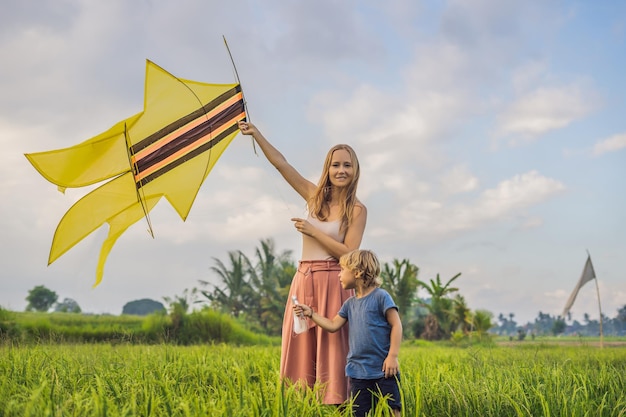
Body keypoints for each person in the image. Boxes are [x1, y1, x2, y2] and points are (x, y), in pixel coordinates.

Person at [238, 121, 367, 405]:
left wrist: (313, 232)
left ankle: (335, 403)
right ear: (328, 168)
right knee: (299, 339)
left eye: (347, 165)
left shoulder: (357, 210)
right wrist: (257, 133)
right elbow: (281, 164)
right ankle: (301, 402)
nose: (341, 170)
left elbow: (348, 254)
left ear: (355, 170)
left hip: (334, 283)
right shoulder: (313, 196)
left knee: (333, 343)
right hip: (304, 278)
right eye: (335, 165)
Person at [293, 249, 403, 417]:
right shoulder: (349, 304)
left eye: (343, 270)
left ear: (358, 272)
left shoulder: (381, 297)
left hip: (383, 370)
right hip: (358, 372)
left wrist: (392, 356)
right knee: (359, 412)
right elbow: (332, 325)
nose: (339, 275)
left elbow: (396, 325)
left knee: (392, 410)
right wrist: (311, 313)